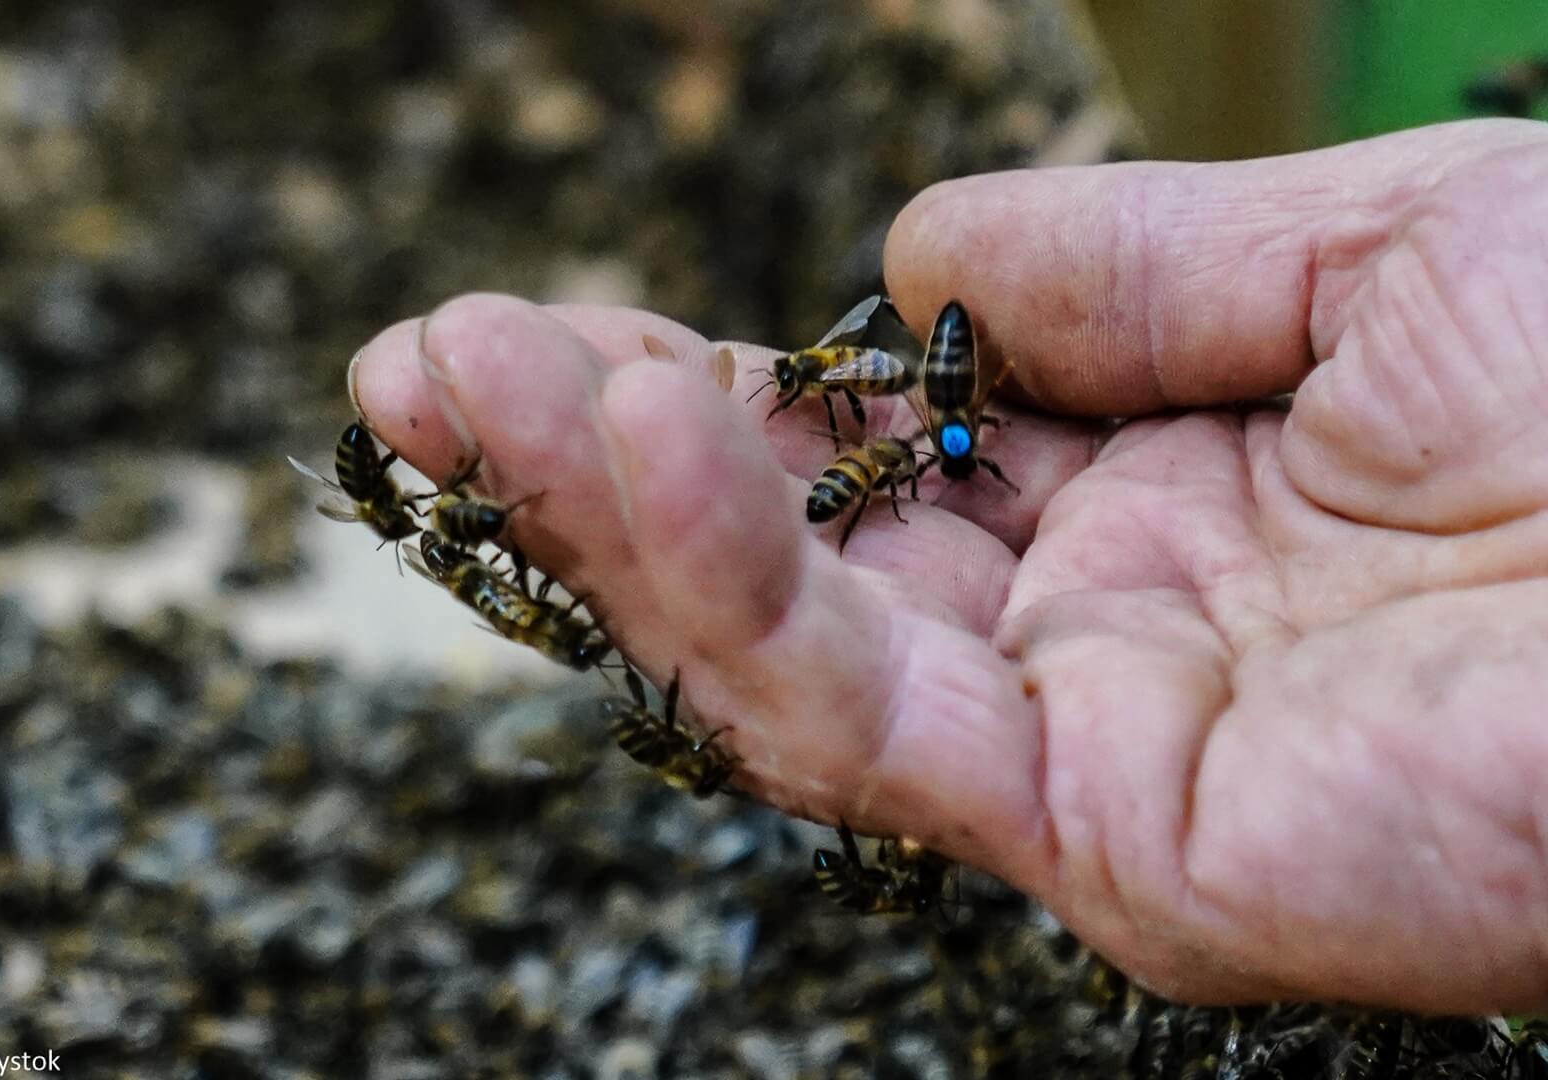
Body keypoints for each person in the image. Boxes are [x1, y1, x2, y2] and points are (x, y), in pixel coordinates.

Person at [346, 119, 1548, 1013]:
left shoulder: (950, 429)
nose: (957, 451)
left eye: (957, 446)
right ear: (947, 427)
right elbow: (939, 416)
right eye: (952, 446)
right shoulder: (929, 426)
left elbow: (954, 416)